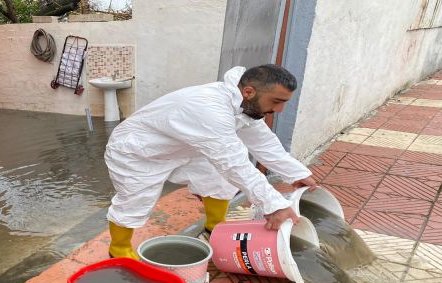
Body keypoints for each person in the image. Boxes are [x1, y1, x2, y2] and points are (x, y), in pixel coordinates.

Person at [104, 64, 317, 259]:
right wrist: (274, 204)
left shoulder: (245, 106)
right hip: (139, 151)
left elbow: (264, 144)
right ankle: (119, 250)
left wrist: (297, 173)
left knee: (217, 177)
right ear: (249, 91)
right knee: (136, 201)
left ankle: (215, 226)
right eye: (276, 102)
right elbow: (234, 164)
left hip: (185, 147)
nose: (279, 110)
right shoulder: (210, 109)